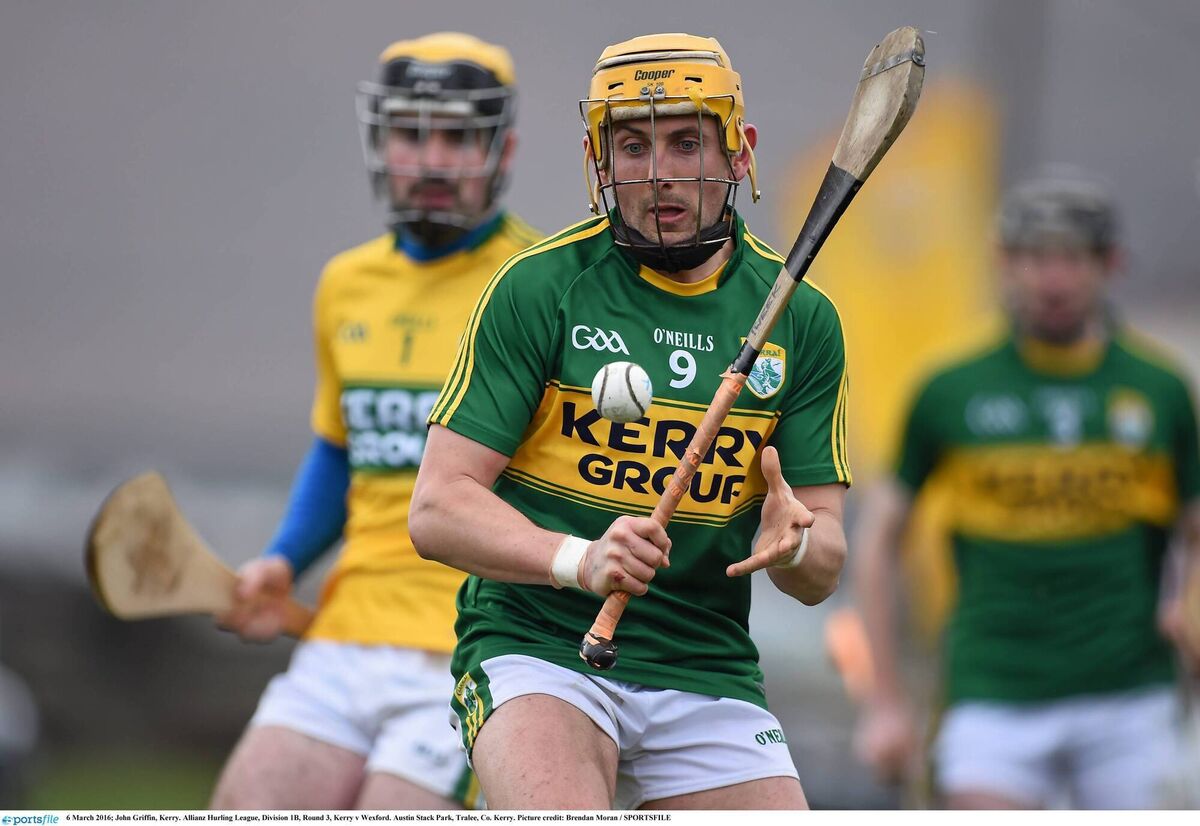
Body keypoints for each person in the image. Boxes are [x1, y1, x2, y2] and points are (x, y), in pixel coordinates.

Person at [409, 33, 850, 810]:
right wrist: (581, 560)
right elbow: (438, 509)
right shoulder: (540, 288)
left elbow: (820, 572)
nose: (659, 174)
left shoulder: (804, 320)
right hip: (538, 646)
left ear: (739, 152)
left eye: (687, 141)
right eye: (632, 146)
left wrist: (798, 544)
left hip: (706, 662)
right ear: (599, 162)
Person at [210, 32, 540, 810]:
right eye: (409, 132)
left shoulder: (538, 286)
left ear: (504, 147)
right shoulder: (345, 284)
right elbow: (338, 448)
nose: (429, 160)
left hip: (476, 644)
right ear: (378, 140)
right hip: (342, 635)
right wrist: (285, 560)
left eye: (457, 135)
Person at [852, 171, 1200, 809]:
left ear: (1110, 263)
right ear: (1003, 264)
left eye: (1072, 258)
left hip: (1130, 695)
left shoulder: (1161, 390)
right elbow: (877, 541)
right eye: (1033, 258)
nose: (1053, 279)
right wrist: (885, 702)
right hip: (994, 687)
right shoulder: (951, 389)